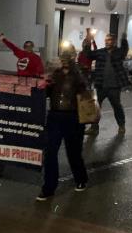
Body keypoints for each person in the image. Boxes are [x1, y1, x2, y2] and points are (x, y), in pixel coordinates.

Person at [36, 46, 88, 201]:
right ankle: (49, 187)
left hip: (74, 118)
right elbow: (46, 94)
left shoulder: (79, 73)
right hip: (55, 117)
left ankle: (81, 179)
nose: (64, 57)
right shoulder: (55, 75)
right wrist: (45, 84)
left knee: (74, 153)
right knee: (50, 152)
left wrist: (74, 69)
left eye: (68, 55)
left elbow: (85, 90)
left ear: (73, 56)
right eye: (63, 55)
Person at [83, 33, 129, 135]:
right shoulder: (100, 52)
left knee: (117, 106)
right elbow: (88, 54)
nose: (107, 41)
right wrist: (88, 41)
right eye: (106, 40)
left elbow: (125, 50)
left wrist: (124, 40)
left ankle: (121, 125)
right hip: (101, 85)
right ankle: (94, 128)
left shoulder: (119, 52)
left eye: (110, 40)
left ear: (114, 41)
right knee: (96, 107)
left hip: (114, 86)